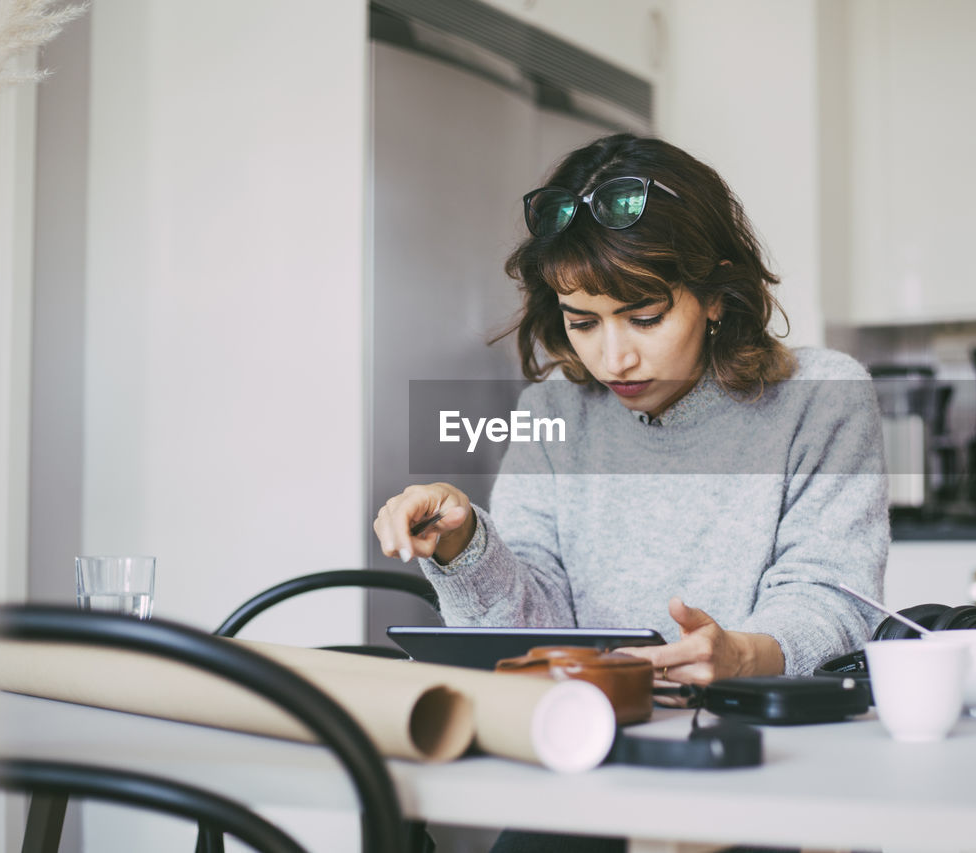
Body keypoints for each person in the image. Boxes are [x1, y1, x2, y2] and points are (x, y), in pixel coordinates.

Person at [375, 133, 887, 853]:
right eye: (582, 322)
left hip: (759, 764)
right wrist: (466, 548)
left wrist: (743, 653)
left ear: (716, 292)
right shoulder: (554, 409)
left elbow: (833, 598)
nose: (612, 356)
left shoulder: (822, 397)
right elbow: (535, 627)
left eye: (644, 316)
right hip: (581, 761)